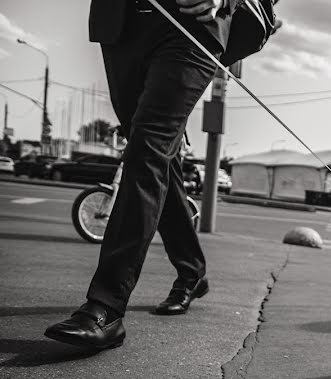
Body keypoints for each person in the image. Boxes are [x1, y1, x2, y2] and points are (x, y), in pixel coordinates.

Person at [45, 0, 237, 350]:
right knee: (157, 156)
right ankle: (192, 270)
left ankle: (106, 307)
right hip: (122, 21)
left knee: (146, 150)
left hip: (191, 25)